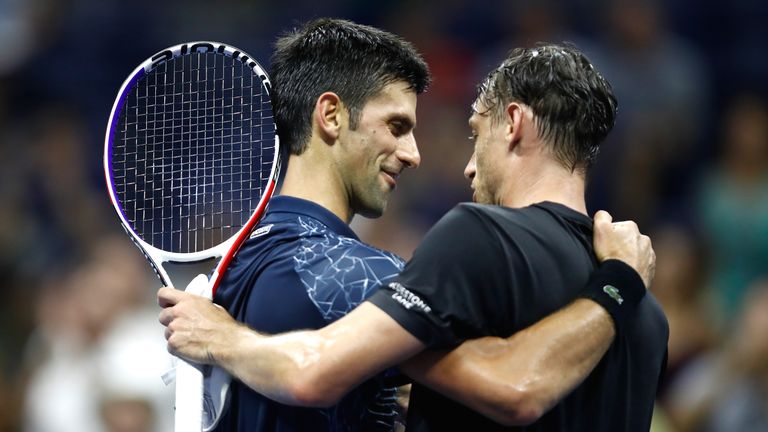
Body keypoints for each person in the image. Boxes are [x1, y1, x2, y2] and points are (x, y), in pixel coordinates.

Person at [160, 23, 664, 432]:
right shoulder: (356, 276)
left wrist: (225, 337)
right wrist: (619, 282)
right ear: (331, 116)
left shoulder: (241, 261)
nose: (417, 155)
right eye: (397, 126)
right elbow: (512, 383)